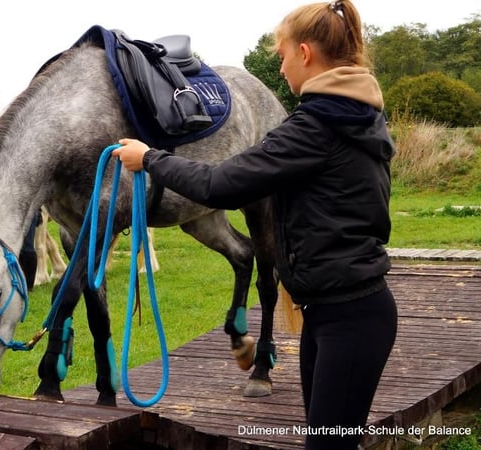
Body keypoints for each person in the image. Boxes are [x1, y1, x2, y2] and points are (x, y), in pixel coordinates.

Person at [111, 1, 397, 448]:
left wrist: (149, 158)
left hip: (346, 316)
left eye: (282, 56)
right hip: (337, 310)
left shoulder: (316, 127)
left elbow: (220, 184)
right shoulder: (357, 115)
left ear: (305, 53)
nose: (280, 69)